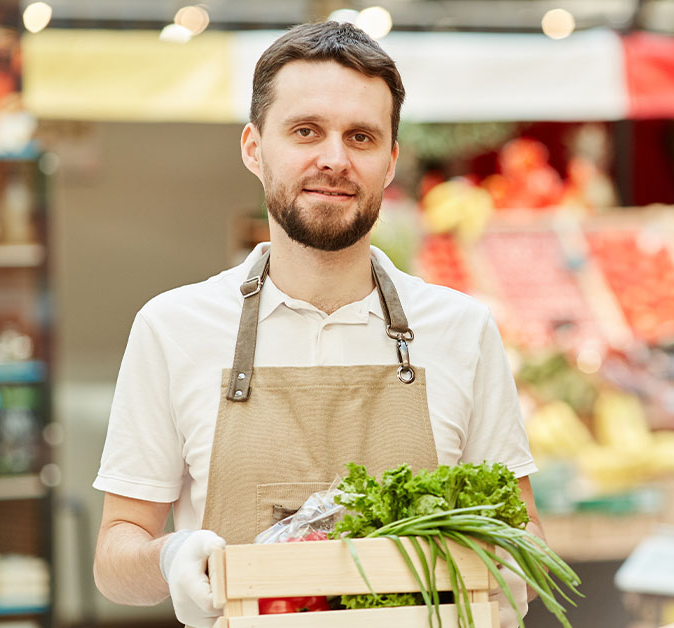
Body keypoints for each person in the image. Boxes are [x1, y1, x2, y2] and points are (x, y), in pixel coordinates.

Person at [91, 21, 540, 628]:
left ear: (390, 162)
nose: (334, 160)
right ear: (254, 148)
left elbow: (522, 526)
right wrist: (169, 556)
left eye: (361, 137)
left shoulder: (463, 329)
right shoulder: (172, 328)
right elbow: (116, 554)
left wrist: (515, 568)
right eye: (306, 131)